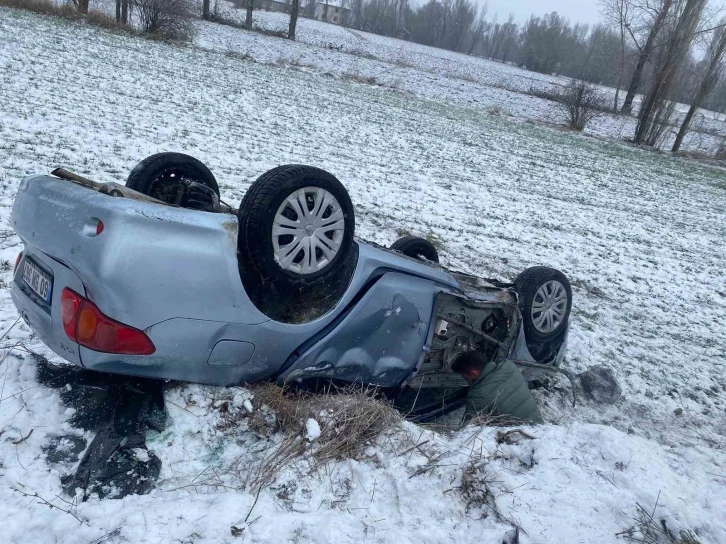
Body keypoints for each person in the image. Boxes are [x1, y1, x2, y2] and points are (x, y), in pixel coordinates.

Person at [453, 351, 543, 424]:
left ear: (473, 374)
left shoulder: (478, 395)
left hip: (520, 440)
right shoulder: (509, 366)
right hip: (539, 428)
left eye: (465, 378)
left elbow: (467, 430)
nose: (467, 382)